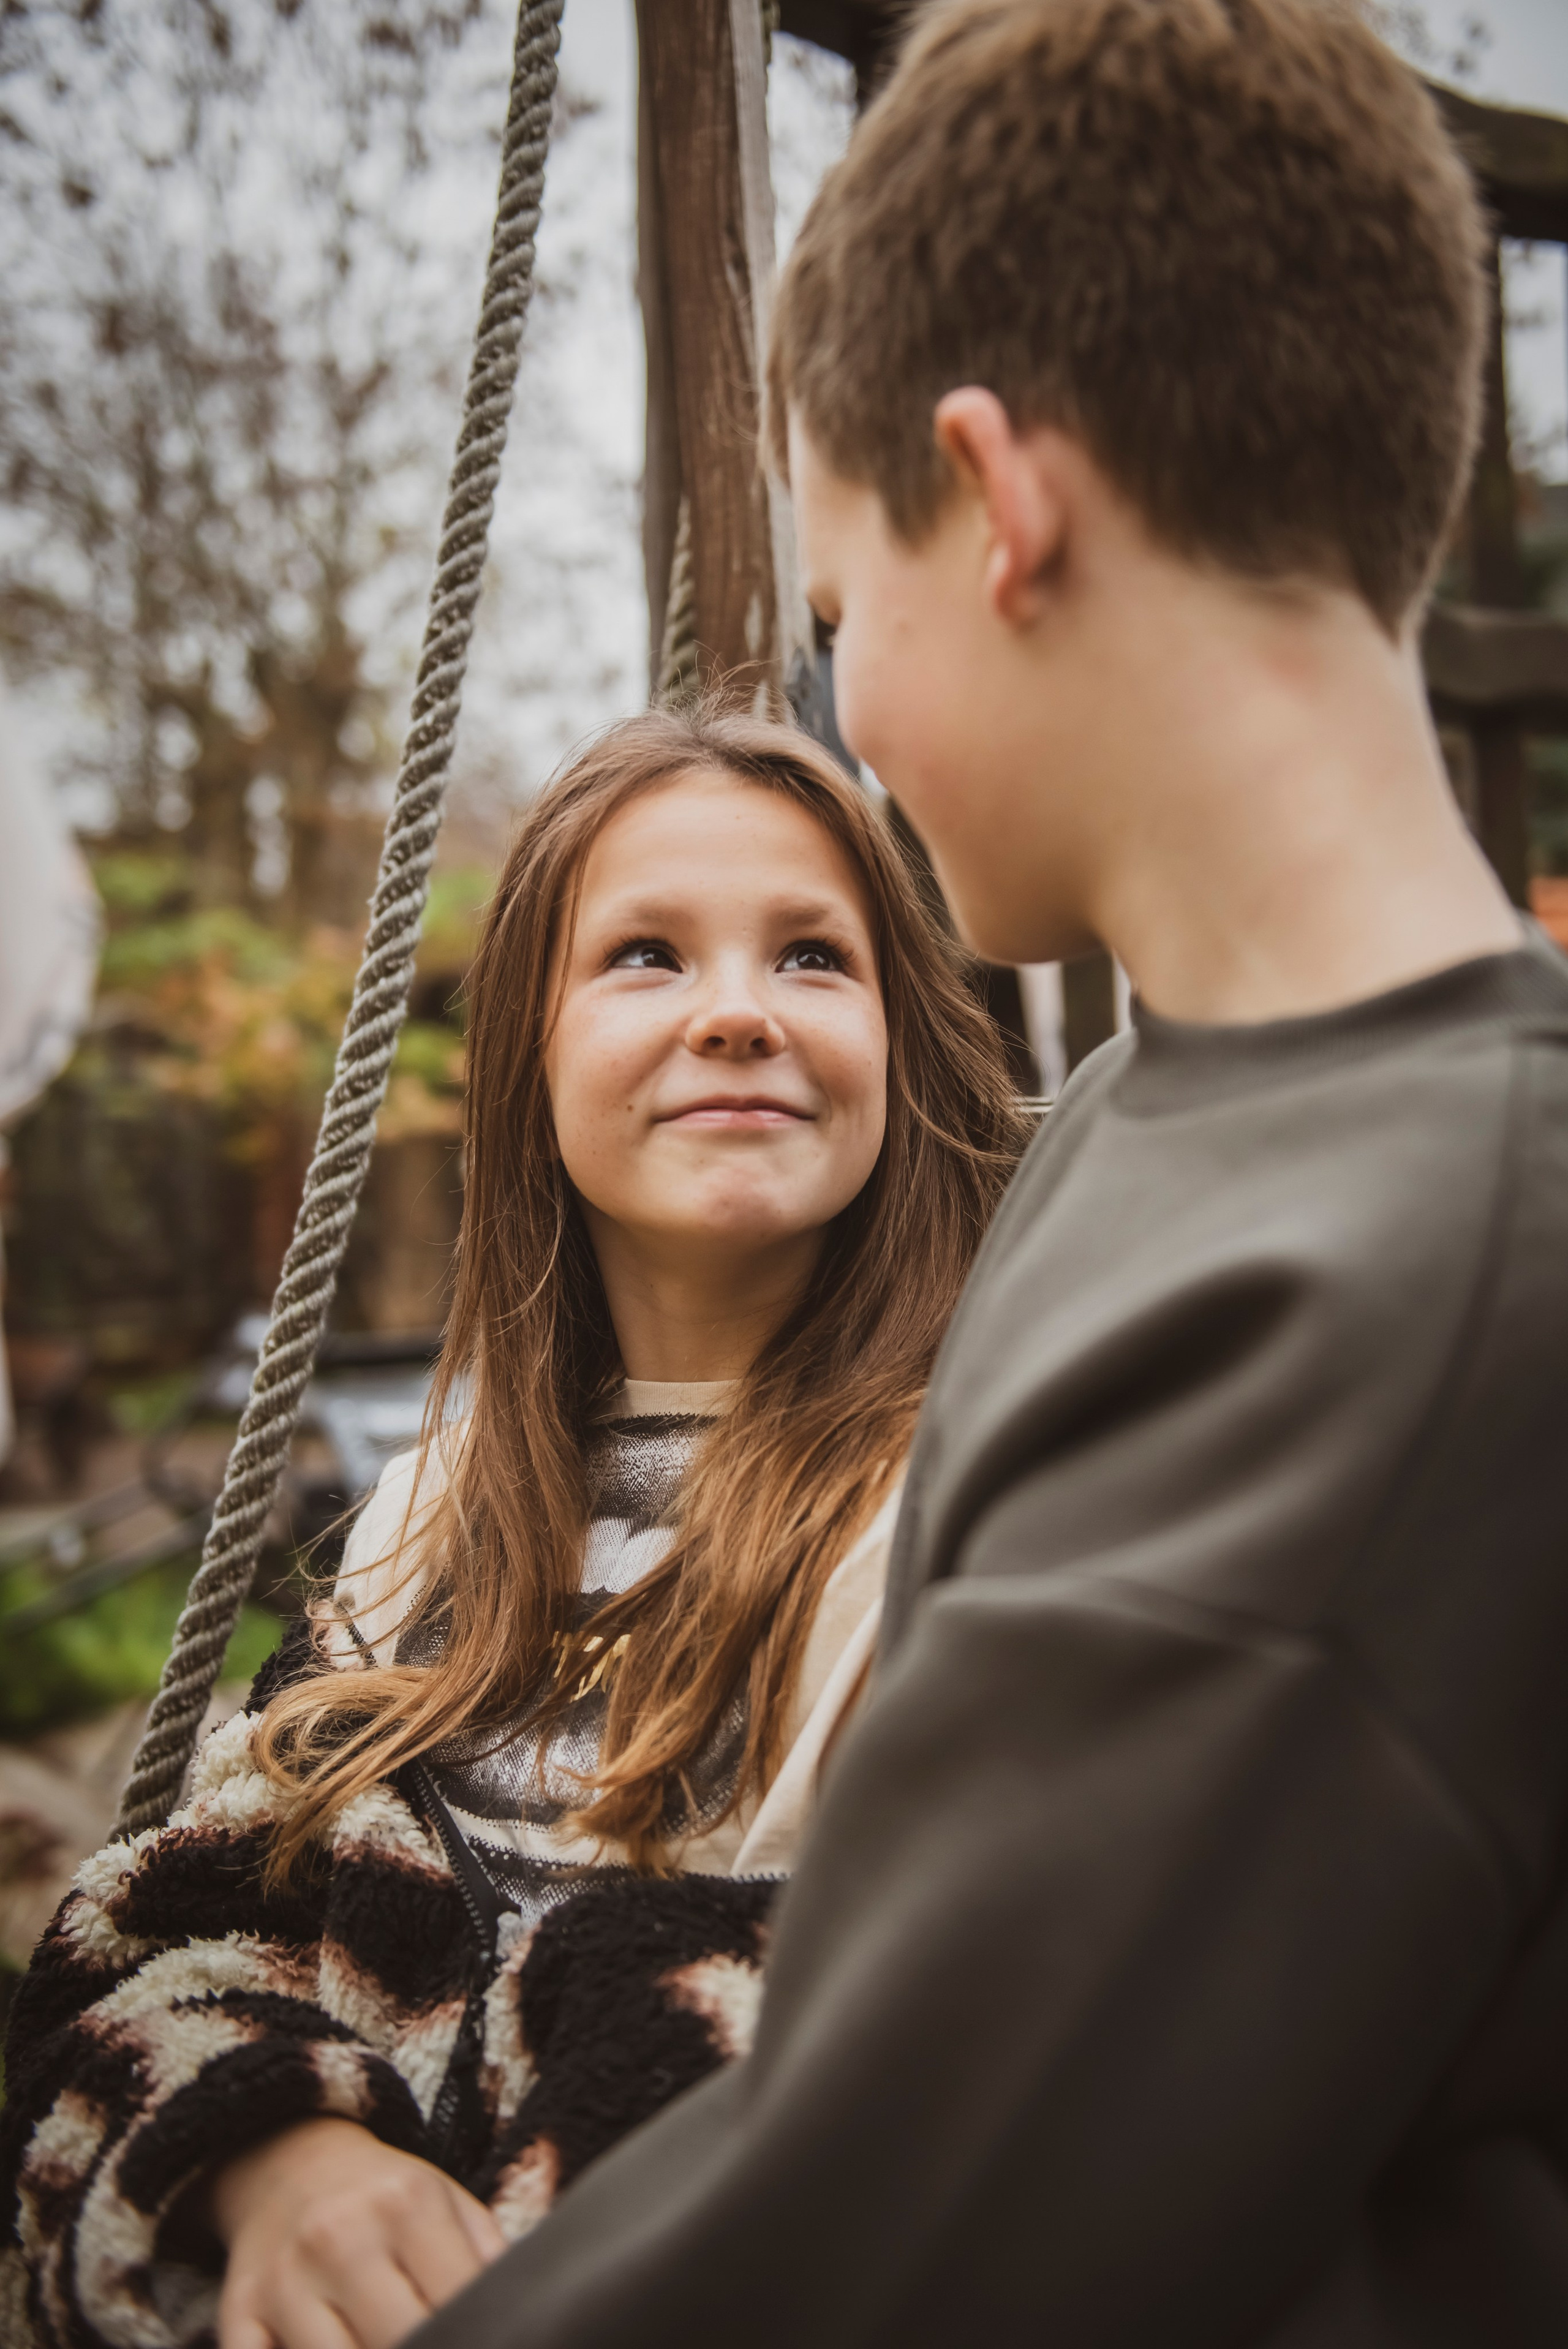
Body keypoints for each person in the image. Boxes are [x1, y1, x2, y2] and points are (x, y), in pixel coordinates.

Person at [385, 1, 1566, 2344]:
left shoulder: (1404, 1291)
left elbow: (881, 2239)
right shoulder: (1144, 1123)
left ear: (998, 502)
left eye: (839, 621)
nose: (863, 716)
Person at [0, 704, 1024, 2349]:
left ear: (906, 1035)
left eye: (815, 958)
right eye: (646, 954)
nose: (740, 1013)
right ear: (529, 1055)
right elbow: (157, 1944)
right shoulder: (419, 1529)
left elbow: (974, 2049)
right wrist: (277, 2153)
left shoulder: (999, 1504)